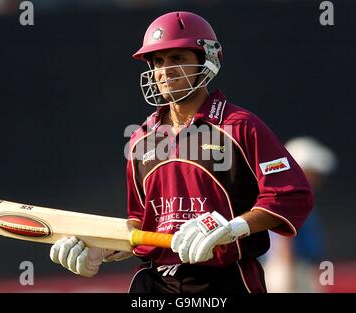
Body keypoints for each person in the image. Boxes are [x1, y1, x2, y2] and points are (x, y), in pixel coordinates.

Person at [49, 11, 314, 293]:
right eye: (158, 62)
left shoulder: (240, 126)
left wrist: (233, 227)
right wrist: (103, 250)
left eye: (177, 59)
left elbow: (291, 195)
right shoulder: (141, 139)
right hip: (154, 282)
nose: (165, 71)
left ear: (207, 61)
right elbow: (141, 219)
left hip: (224, 279)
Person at [262, 137, 337, 292]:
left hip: (295, 269)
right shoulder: (289, 198)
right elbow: (283, 241)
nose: (317, 179)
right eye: (314, 173)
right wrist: (286, 277)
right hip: (289, 270)